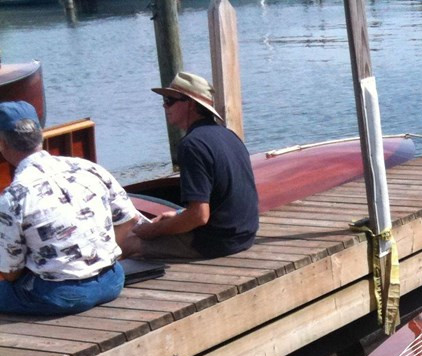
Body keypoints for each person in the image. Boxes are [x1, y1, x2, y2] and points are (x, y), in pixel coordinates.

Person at [0, 100, 137, 315]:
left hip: (61, 295)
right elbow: (129, 219)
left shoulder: (14, 196)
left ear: (2, 142)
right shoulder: (88, 168)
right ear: (41, 134)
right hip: (112, 280)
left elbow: (10, 273)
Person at [125, 72, 258, 260]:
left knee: (128, 243)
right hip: (244, 235)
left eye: (170, 100)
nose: (164, 106)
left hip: (216, 243)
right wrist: (178, 215)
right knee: (164, 223)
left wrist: (154, 231)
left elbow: (199, 216)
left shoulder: (192, 145)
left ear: (191, 104)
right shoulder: (229, 135)